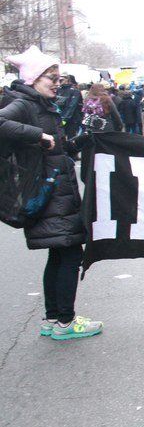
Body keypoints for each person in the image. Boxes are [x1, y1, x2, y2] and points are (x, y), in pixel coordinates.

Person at [0, 47, 103, 340]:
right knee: (70, 253)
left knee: (59, 254)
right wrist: (38, 135)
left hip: (55, 192)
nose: (57, 82)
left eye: (58, 77)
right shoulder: (23, 104)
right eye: (51, 77)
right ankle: (66, 322)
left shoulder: (42, 105)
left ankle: (52, 319)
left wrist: (84, 138)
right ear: (33, 78)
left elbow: (58, 150)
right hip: (48, 194)